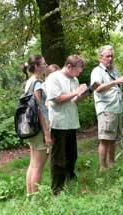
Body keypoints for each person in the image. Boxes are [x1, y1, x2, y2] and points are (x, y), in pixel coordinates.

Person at [45, 55, 87, 195]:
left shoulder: (74, 79)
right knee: (58, 157)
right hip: (58, 122)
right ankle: (57, 188)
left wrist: (86, 92)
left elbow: (74, 99)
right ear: (69, 66)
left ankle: (69, 179)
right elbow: (56, 99)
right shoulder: (54, 78)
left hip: (71, 121)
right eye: (78, 70)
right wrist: (76, 92)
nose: (79, 73)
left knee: (72, 154)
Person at [21, 54, 52, 195]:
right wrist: (46, 133)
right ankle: (35, 198)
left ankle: (30, 194)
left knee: (33, 164)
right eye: (44, 63)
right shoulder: (37, 84)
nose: (46, 65)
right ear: (37, 66)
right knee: (38, 166)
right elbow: (39, 110)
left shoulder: (29, 82)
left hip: (30, 127)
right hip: (39, 128)